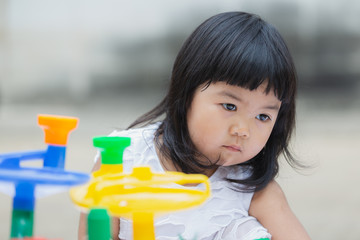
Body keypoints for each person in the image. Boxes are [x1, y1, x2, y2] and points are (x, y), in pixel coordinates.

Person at [79, 11, 311, 240]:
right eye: (230, 106)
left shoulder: (254, 191)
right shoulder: (121, 159)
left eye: (262, 116)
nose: (243, 130)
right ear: (187, 92)